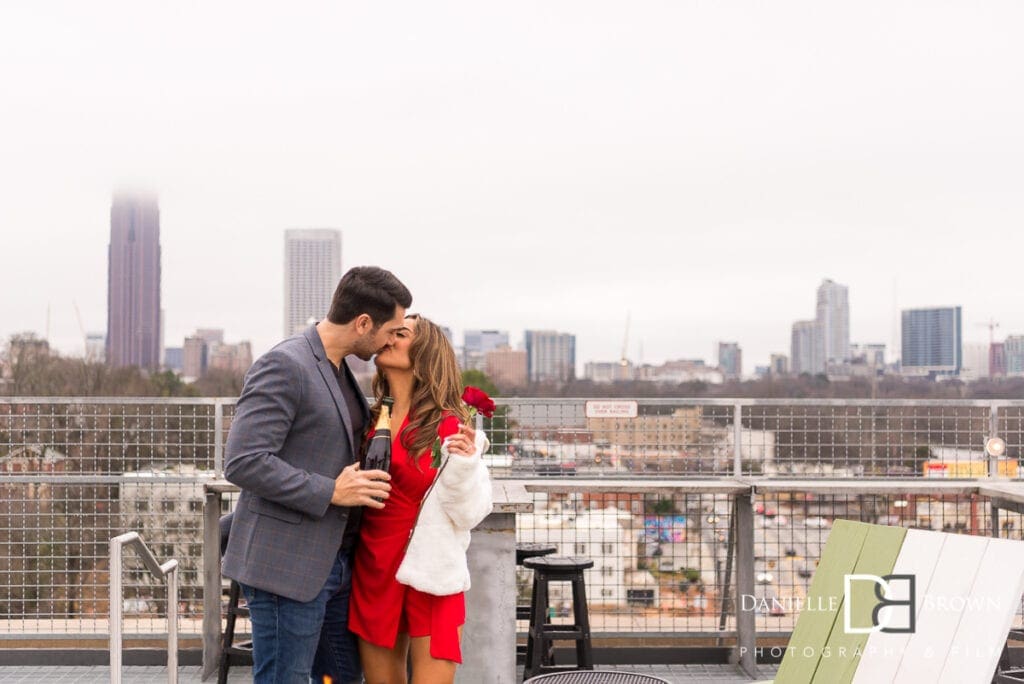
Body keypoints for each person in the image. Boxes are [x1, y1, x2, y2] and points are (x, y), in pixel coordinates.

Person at [222, 266, 412, 684]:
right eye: (391, 330)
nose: (391, 340)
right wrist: (330, 491)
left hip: (336, 565)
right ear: (363, 323)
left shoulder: (340, 369)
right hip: (287, 567)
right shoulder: (285, 363)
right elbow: (243, 460)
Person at [349, 314, 493, 684]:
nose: (388, 339)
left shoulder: (450, 426)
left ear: (425, 352)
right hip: (375, 567)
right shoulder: (369, 419)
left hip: (431, 573)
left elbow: (471, 513)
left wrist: (463, 466)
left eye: (400, 334)